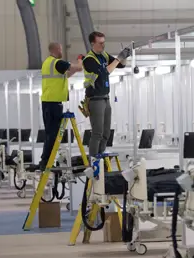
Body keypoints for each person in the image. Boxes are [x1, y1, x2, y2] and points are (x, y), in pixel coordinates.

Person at [82, 31, 131, 157]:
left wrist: (124, 56)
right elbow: (105, 72)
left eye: (104, 42)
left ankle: (101, 157)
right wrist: (118, 58)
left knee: (106, 133)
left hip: (105, 98)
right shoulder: (89, 60)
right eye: (100, 43)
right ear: (93, 43)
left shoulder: (103, 55)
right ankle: (93, 161)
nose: (103, 46)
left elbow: (120, 65)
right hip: (95, 99)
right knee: (97, 132)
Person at [40, 42, 83, 170]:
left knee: (50, 133)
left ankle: (46, 160)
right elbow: (79, 68)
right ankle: (45, 161)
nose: (61, 52)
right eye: (60, 49)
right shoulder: (57, 63)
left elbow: (66, 75)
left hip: (48, 102)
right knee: (53, 134)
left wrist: (74, 68)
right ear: (56, 50)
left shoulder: (48, 63)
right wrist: (80, 60)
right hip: (54, 103)